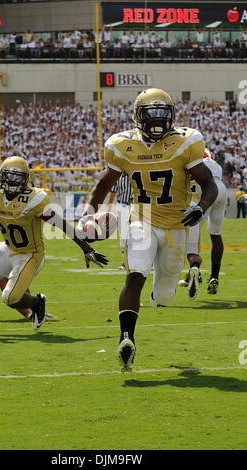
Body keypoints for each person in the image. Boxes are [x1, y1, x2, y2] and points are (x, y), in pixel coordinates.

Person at [76, 88, 217, 373]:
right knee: (135, 275)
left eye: (162, 114)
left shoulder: (186, 141)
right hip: (142, 218)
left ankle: (156, 296)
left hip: (177, 224)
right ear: (138, 116)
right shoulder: (122, 145)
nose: (157, 120)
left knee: (164, 296)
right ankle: (126, 338)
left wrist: (200, 207)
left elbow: (210, 184)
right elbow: (103, 185)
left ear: (172, 116)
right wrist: (87, 214)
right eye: (150, 114)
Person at [0, 156, 108, 334]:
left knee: (10, 298)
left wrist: (86, 248)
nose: (13, 181)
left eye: (18, 177)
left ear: (26, 179)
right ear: (2, 177)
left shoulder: (33, 198)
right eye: (10, 176)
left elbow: (59, 222)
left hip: (31, 254)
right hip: (8, 249)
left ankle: (37, 302)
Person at [178, 148, 228, 297]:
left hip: (206, 190)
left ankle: (195, 270)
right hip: (221, 189)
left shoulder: (195, 161)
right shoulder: (215, 164)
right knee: (216, 235)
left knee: (193, 233)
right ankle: (214, 276)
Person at [108, 172, 133, 269]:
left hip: (134, 206)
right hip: (122, 206)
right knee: (123, 235)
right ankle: (126, 262)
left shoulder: (135, 175)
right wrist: (109, 208)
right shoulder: (118, 177)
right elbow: (113, 192)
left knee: (137, 234)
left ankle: (142, 261)